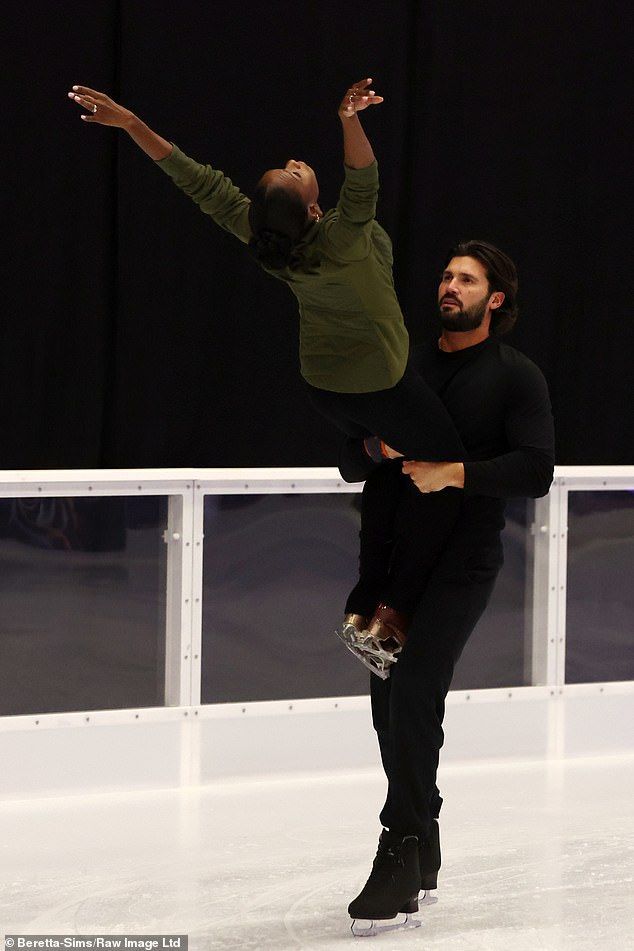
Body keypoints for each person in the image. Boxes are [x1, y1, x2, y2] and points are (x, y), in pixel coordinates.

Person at [67, 78, 470, 638]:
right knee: (450, 469)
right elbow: (363, 179)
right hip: (378, 380)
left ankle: (363, 595)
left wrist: (132, 124)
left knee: (387, 469)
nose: (294, 161)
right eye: (293, 172)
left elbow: (196, 181)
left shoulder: (265, 238)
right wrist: (348, 118)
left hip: (323, 384)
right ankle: (396, 611)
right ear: (310, 208)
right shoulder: (342, 239)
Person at [337, 240, 555, 933]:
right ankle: (424, 840)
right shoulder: (404, 364)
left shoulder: (516, 377)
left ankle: (397, 846)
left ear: (495, 299)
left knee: (415, 687)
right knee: (386, 706)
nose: (449, 285)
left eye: (466, 278)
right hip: (390, 566)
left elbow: (535, 469)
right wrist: (379, 449)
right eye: (446, 275)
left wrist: (454, 471)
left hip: (462, 562)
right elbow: (351, 455)